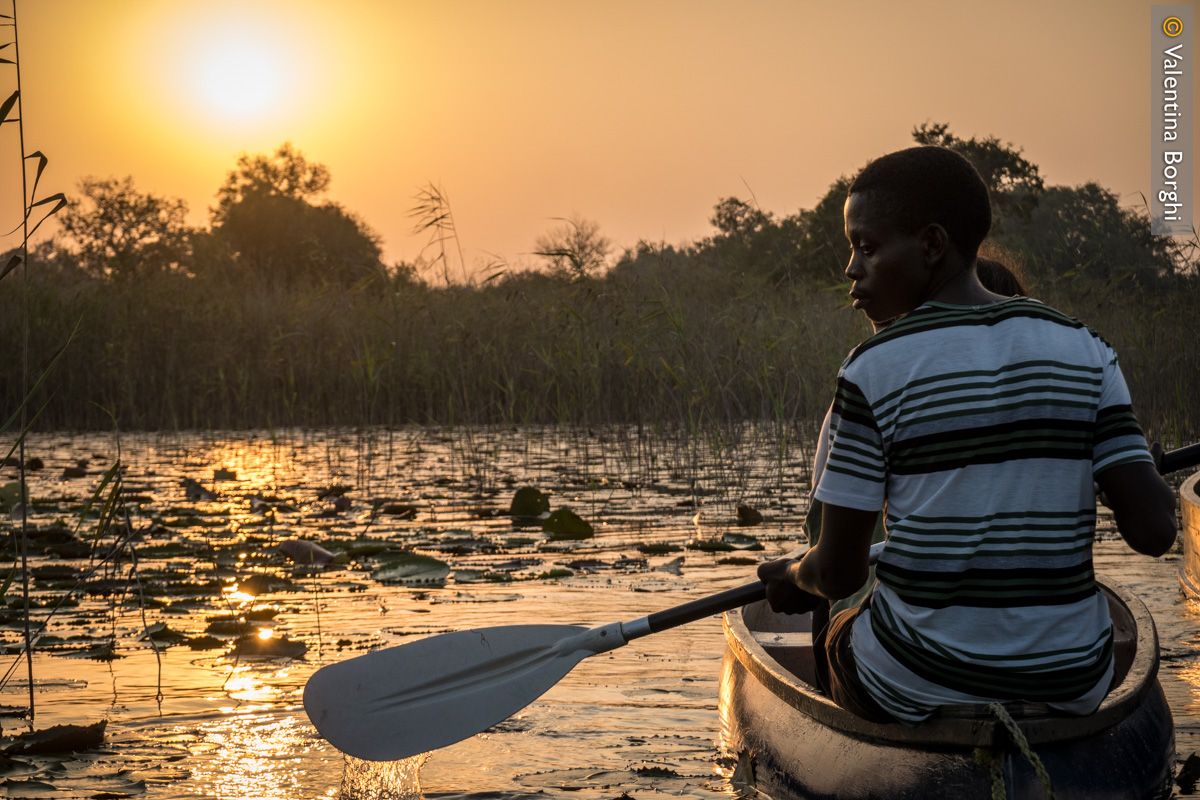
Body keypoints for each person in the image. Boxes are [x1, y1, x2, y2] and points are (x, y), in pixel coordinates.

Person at [758, 146, 1177, 725]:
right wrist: (1137, 477)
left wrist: (791, 575)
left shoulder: (872, 368)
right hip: (1073, 674)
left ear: (932, 245)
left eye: (867, 247)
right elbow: (1155, 532)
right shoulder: (1087, 349)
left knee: (839, 636)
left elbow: (839, 574)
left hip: (915, 674)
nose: (852, 268)